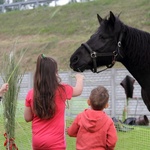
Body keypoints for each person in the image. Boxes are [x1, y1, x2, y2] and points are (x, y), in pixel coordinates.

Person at [24, 54, 84, 150]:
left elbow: (27, 118)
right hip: (56, 143)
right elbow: (78, 90)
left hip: (37, 142)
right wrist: (79, 79)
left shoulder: (31, 93)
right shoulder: (62, 90)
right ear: (54, 73)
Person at [67, 85, 118, 150]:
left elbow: (71, 132)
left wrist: (69, 130)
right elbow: (112, 142)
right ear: (106, 105)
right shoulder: (108, 121)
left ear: (88, 102)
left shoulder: (80, 116)